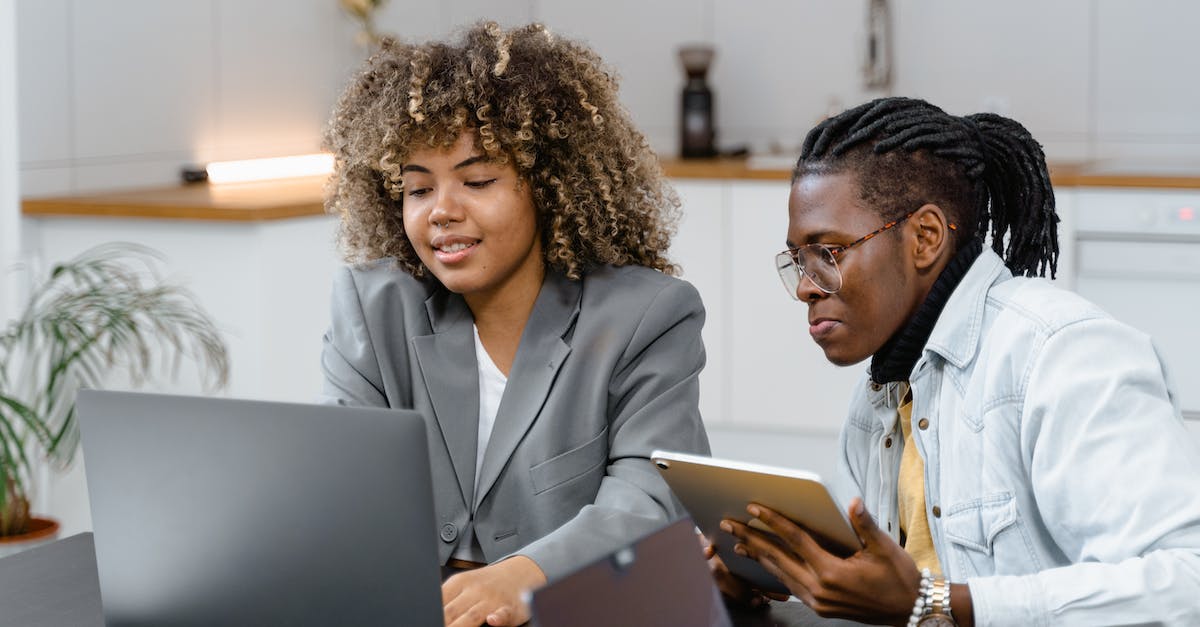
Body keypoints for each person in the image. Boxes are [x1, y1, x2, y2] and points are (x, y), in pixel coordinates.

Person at [713, 97, 1200, 626]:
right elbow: (885, 590)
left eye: (828, 254)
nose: (807, 287)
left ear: (924, 238)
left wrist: (935, 602)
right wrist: (777, 577)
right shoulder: (881, 390)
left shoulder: (1059, 354)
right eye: (798, 261)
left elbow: (1185, 581)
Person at [319, 22, 710, 627]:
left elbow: (650, 498)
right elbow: (346, 490)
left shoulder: (646, 317)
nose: (442, 211)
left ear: (549, 185)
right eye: (418, 188)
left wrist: (523, 578)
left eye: (477, 181)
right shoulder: (374, 307)